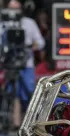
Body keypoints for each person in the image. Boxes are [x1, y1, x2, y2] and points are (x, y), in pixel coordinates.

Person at [0, 0, 45, 129]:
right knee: (12, 94)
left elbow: (40, 42)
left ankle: (34, 122)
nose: (13, 12)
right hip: (9, 63)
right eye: (10, 9)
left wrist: (29, 47)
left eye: (16, 9)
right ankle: (15, 124)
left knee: (29, 92)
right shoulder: (2, 24)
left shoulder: (29, 23)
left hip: (26, 63)